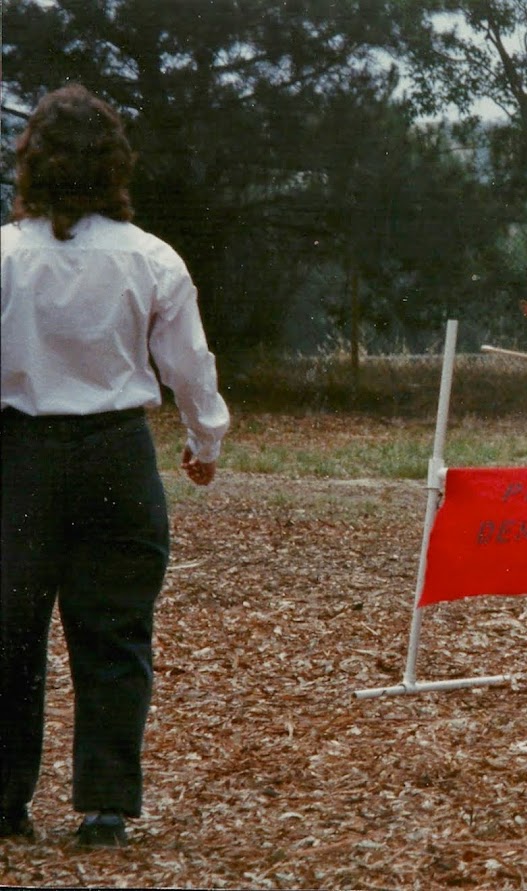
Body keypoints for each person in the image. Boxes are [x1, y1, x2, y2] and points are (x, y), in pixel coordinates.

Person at [0, 83, 229, 847]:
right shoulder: (151, 258)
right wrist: (204, 444)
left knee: (8, 631)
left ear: (30, 164)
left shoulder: (2, 257)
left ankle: (5, 802)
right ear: (114, 166)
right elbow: (190, 368)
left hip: (19, 461)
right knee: (115, 631)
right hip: (116, 461)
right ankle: (104, 809)